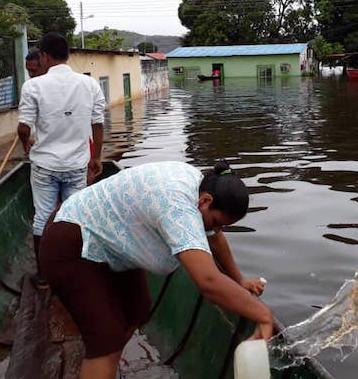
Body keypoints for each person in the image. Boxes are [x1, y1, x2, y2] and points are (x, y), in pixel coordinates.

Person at [39, 160, 272, 379]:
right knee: (105, 339)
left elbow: (215, 238)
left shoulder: (200, 186)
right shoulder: (177, 205)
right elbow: (208, 282)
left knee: (137, 309)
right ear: (206, 201)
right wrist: (262, 314)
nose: (217, 229)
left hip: (110, 244)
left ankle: (106, 366)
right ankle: (103, 358)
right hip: (71, 243)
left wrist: (239, 280)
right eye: (216, 222)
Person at [17, 32, 106, 286]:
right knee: (76, 216)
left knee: (43, 217)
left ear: (44, 56)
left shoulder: (33, 86)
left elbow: (24, 128)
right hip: (77, 165)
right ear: (67, 55)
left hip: (44, 165)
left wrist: (26, 145)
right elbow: (98, 123)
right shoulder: (89, 84)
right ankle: (78, 271)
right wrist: (96, 157)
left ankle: (44, 276)